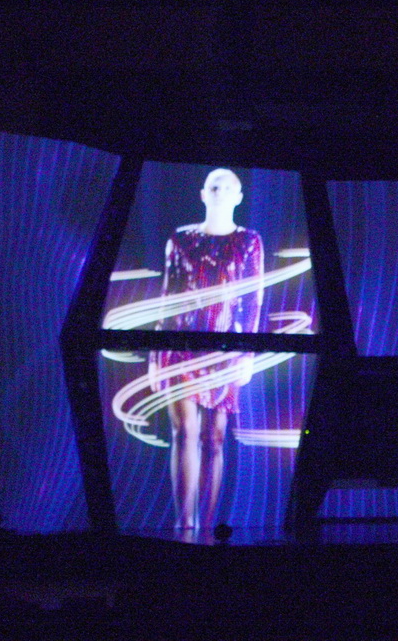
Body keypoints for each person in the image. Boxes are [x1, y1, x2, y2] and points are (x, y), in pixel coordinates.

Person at [159, 168, 267, 542]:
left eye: (227, 187)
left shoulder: (249, 241)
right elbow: (168, 296)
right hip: (181, 346)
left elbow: (253, 300)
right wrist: (158, 353)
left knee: (214, 438)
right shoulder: (181, 239)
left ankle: (206, 526)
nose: (220, 192)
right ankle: (183, 524)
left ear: (239, 197)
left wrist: (247, 353)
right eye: (214, 187)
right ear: (203, 194)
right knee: (184, 431)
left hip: (225, 349)